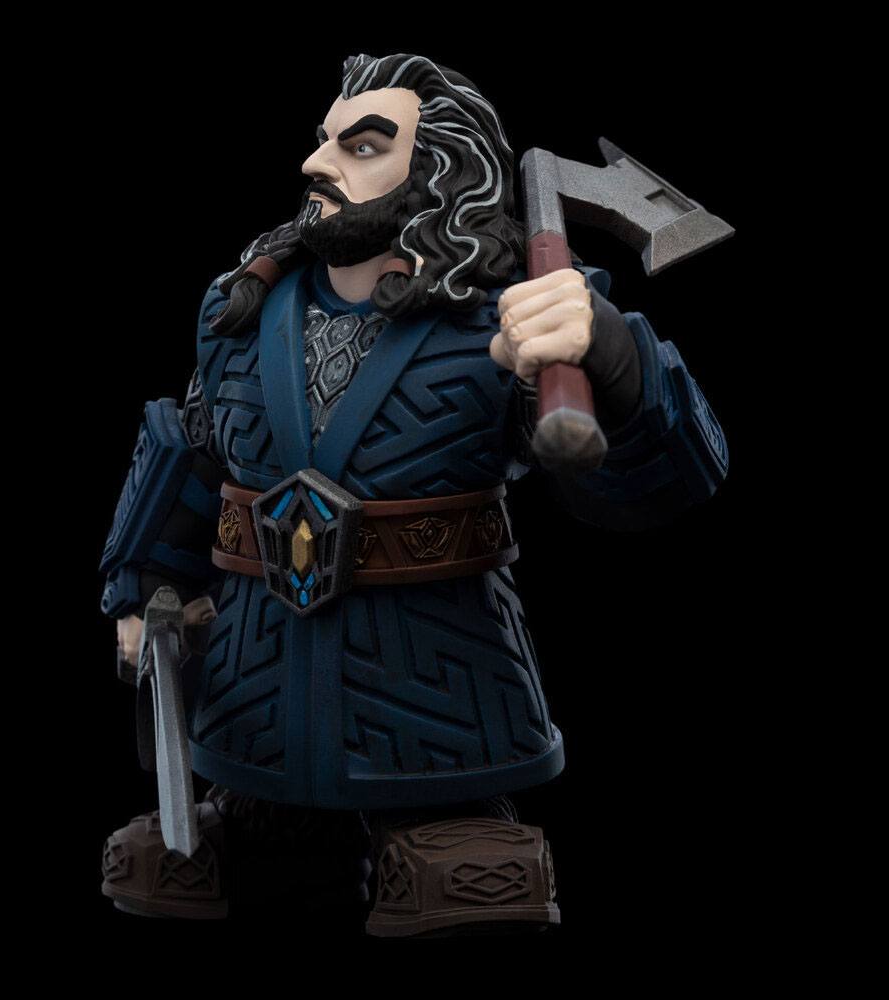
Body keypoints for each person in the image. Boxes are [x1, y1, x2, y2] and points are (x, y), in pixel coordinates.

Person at [98, 52, 728, 935]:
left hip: (433, 666)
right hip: (256, 671)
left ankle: (447, 824)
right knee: (201, 863)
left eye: (360, 146)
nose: (317, 163)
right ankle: (261, 821)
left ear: (439, 170)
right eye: (324, 141)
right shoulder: (240, 313)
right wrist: (142, 590)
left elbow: (647, 486)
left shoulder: (506, 319)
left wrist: (612, 358)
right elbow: (194, 456)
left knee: (458, 880)